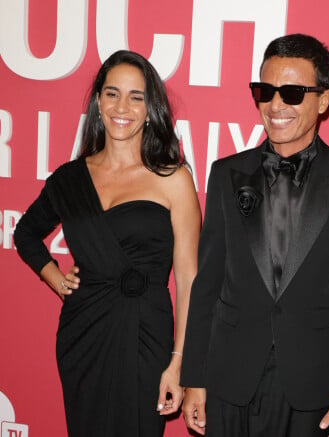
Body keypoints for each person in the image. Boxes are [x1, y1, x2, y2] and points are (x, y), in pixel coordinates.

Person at [180, 34, 329, 437]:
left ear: (324, 99)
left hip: (312, 385)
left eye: (293, 92)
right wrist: (194, 375)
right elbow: (207, 281)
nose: (276, 105)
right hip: (229, 378)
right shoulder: (226, 173)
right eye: (265, 91)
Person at [14, 50, 201, 437]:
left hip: (146, 333)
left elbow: (187, 278)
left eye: (136, 96)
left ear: (151, 107)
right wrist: (55, 278)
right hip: (83, 333)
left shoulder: (173, 178)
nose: (123, 107)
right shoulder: (70, 178)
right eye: (113, 93)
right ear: (98, 101)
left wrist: (179, 362)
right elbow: (26, 233)